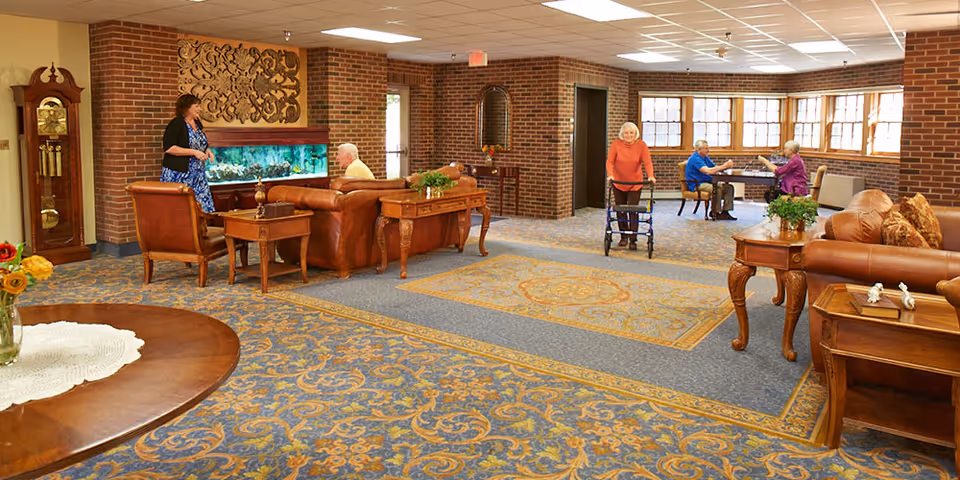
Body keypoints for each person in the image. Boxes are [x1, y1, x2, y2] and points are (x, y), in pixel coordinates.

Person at [161, 94, 216, 213]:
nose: (199, 109)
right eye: (196, 106)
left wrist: (207, 151)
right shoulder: (177, 124)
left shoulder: (198, 123)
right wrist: (194, 152)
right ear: (186, 108)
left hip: (198, 175)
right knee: (180, 210)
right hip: (180, 174)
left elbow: (201, 143)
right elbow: (169, 148)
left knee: (201, 209)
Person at [606, 122, 656, 250]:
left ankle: (633, 239)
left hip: (635, 183)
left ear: (636, 134)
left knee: (633, 210)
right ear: (622, 134)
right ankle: (623, 236)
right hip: (618, 182)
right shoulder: (616, 144)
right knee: (620, 209)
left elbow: (647, 162)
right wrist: (610, 175)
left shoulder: (641, 145)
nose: (628, 135)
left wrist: (651, 176)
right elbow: (610, 161)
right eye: (626, 133)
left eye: (631, 133)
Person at [685, 139, 736, 220]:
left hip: (708, 181)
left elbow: (714, 168)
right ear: (699, 149)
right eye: (706, 148)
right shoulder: (695, 159)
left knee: (729, 187)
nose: (708, 150)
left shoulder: (705, 158)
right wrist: (724, 166)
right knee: (716, 189)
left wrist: (725, 167)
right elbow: (708, 171)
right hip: (698, 184)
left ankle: (725, 212)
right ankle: (715, 212)